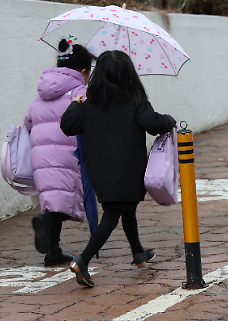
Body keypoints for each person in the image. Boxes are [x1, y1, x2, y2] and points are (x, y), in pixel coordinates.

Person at [60, 50, 176, 287]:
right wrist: (170, 120)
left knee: (126, 207)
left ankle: (138, 253)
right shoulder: (135, 102)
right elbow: (154, 124)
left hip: (100, 170)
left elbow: (68, 125)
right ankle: (83, 260)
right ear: (129, 75)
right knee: (114, 213)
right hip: (128, 168)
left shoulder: (90, 104)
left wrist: (74, 104)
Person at [24, 38, 95, 266]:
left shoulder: (41, 92)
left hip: (41, 156)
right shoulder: (81, 92)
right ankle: (43, 221)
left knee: (54, 198)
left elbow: (27, 122)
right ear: (84, 71)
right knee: (65, 201)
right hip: (68, 154)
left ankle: (52, 251)